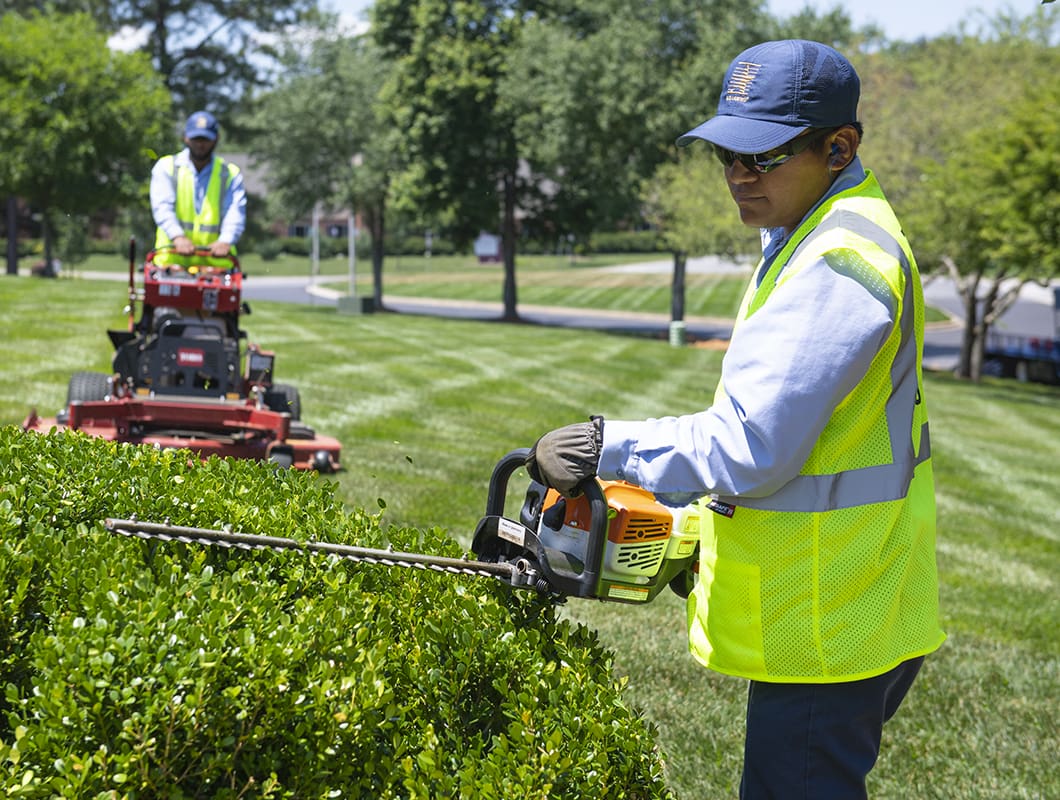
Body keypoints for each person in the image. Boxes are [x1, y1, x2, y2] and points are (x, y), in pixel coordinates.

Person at [525, 39, 945, 799]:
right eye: (727, 156)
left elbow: (752, 445)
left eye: (762, 158)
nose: (737, 177)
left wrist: (605, 446)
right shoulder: (811, 233)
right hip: (846, 599)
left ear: (838, 147)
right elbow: (813, 445)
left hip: (829, 619)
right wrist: (693, 526)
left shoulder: (839, 261)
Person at [149, 110, 246, 265]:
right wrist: (178, 236)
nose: (200, 144)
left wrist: (226, 240)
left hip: (216, 264)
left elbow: (234, 212)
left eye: (205, 139)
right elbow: (162, 208)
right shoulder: (166, 168)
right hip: (171, 260)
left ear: (216, 139)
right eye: (196, 138)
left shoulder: (230, 174)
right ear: (185, 138)